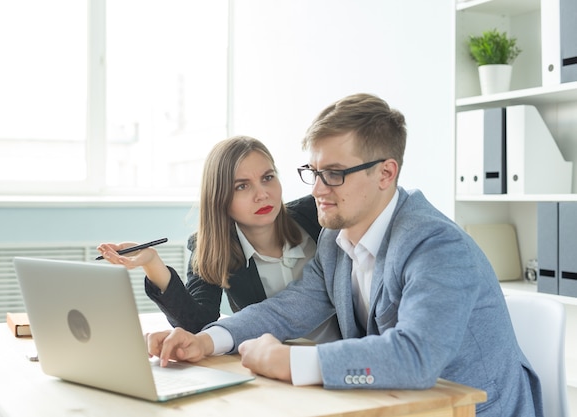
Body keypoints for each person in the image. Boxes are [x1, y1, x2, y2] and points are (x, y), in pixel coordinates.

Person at [145, 94, 542, 417]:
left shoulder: (435, 244)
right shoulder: (338, 242)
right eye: (313, 172)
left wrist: (294, 363)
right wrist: (208, 341)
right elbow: (284, 311)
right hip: (394, 405)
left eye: (334, 173)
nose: (318, 189)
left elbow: (416, 356)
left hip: (471, 410)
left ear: (386, 174)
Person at [97, 135, 340, 341]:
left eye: (267, 177)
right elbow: (197, 324)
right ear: (219, 198)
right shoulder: (214, 248)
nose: (262, 194)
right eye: (242, 186)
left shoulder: (318, 213)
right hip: (279, 369)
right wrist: (152, 263)